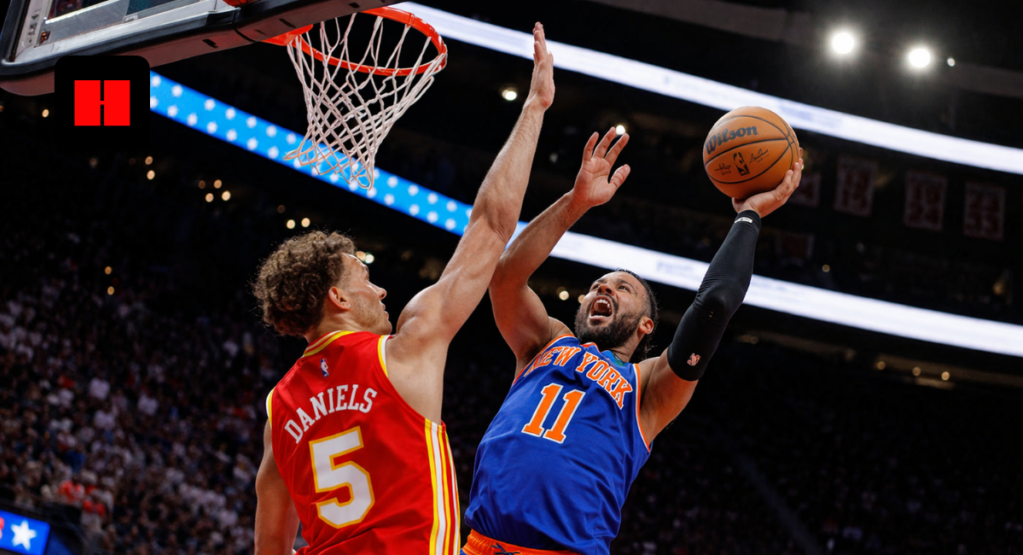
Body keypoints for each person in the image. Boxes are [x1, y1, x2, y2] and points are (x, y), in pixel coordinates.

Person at [251, 23, 556, 555]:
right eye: (366, 279)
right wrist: (535, 107)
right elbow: (490, 226)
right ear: (337, 299)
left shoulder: (280, 408)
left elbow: (271, 540)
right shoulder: (407, 347)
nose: (384, 291)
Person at [462, 129, 803, 555]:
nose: (603, 289)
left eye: (622, 288)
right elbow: (506, 276)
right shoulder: (545, 343)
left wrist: (749, 215)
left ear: (645, 326)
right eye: (597, 285)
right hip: (477, 545)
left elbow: (715, 302)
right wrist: (576, 202)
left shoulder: (649, 388)